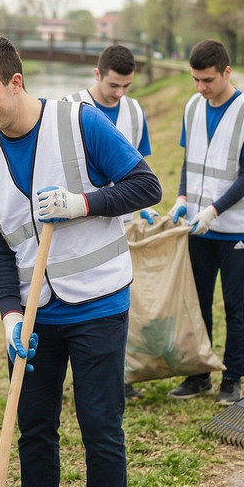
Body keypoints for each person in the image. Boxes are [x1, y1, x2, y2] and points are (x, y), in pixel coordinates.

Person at [0, 34, 161, 487]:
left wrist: (83, 203)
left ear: (15, 82)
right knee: (34, 426)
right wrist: (7, 313)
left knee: (100, 426)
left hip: (98, 301)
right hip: (33, 314)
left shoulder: (81, 123)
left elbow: (147, 185)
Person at [166, 39, 244, 406]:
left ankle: (233, 378)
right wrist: (182, 198)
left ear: (227, 71)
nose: (201, 87)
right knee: (198, 303)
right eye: (195, 79)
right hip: (197, 228)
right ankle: (199, 375)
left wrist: (214, 211)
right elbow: (189, 162)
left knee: (235, 307)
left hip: (238, 230)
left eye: (208, 79)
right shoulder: (193, 107)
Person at [65, 44, 158, 400]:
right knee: (80, 307)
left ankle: (118, 378)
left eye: (126, 86)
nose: (119, 94)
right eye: (113, 86)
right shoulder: (69, 108)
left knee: (117, 306)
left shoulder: (134, 111)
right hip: (82, 227)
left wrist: (143, 208)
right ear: (97, 75)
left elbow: (140, 167)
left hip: (126, 227)